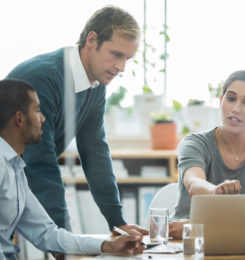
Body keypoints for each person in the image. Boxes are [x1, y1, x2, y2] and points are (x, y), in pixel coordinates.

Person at [6, 5, 148, 235]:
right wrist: (64, 238)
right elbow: (41, 163)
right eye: (116, 54)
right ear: (92, 40)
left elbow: (95, 154)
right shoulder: (43, 78)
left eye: (127, 59)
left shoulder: (95, 86)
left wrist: (117, 223)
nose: (121, 68)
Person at [0, 79, 145, 260]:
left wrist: (108, 245)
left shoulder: (15, 166)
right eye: (37, 110)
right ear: (20, 118)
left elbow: (47, 234)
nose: (43, 118)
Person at [169, 70, 245, 238]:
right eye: (231, 99)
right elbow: (194, 184)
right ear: (221, 101)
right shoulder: (194, 143)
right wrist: (215, 193)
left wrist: (203, 227)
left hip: (239, 239)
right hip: (187, 238)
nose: (236, 109)